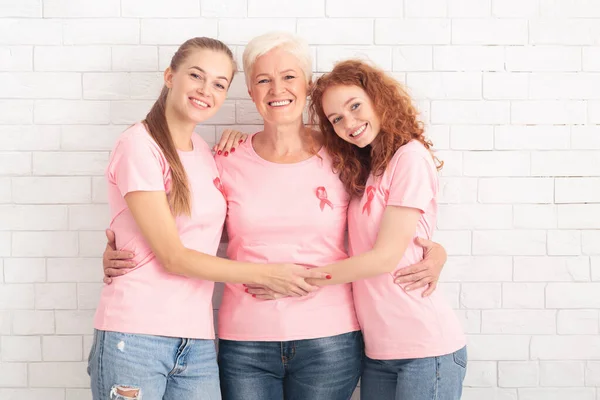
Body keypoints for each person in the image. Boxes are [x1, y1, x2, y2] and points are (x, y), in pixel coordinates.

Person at [102, 32, 449, 400]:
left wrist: (433, 250)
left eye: (288, 76)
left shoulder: (345, 153)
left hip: (329, 339)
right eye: (263, 80)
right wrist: (124, 245)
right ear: (251, 93)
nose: (276, 88)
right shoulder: (222, 157)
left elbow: (383, 214)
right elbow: (194, 231)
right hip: (245, 341)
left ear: (308, 85)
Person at [88, 37, 329, 400]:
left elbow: (214, 234)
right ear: (170, 76)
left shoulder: (206, 153)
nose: (206, 90)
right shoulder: (139, 145)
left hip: (196, 339)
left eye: (219, 84)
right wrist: (269, 274)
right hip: (135, 333)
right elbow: (173, 256)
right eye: (196, 76)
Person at [303, 59, 467, 400]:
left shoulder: (410, 157)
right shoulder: (368, 171)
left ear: (378, 100)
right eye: (336, 119)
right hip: (378, 353)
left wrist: (304, 278)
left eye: (355, 106)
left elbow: (384, 258)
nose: (349, 122)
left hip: (425, 349)